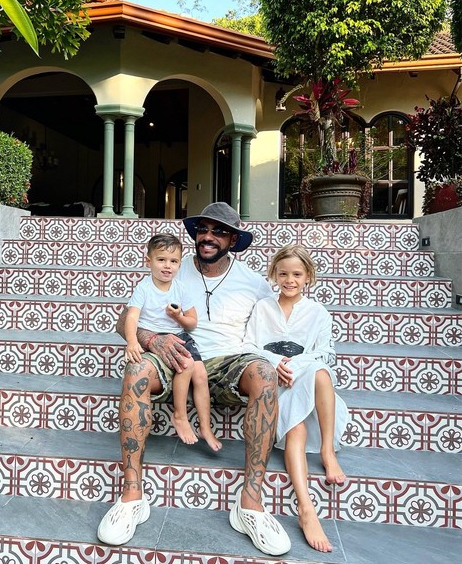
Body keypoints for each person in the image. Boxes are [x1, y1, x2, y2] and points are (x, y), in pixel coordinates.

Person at [97, 202, 292, 556]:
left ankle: (250, 504)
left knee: (263, 373)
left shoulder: (253, 282)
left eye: (219, 231)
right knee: (136, 371)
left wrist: (285, 360)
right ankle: (132, 495)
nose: (208, 237)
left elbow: (276, 326)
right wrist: (152, 340)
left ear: (233, 239)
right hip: (172, 357)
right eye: (203, 229)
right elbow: (122, 322)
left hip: (229, 362)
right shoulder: (171, 267)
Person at [242, 245, 349, 553]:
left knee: (321, 372)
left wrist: (295, 366)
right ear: (274, 275)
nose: (290, 280)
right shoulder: (263, 308)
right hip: (275, 382)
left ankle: (327, 450)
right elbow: (248, 345)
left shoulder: (318, 313)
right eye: (284, 274)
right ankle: (306, 508)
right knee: (296, 429)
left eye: (297, 275)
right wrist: (276, 364)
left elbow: (327, 353)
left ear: (308, 277)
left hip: (308, 379)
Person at [124, 233, 222, 451]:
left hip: (180, 335)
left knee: (201, 374)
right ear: (148, 261)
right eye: (161, 260)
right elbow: (131, 317)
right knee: (187, 364)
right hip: (157, 336)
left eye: (174, 261)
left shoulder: (181, 288)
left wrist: (178, 317)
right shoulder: (144, 288)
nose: (168, 266)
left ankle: (205, 426)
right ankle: (180, 415)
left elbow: (192, 322)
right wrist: (132, 341)